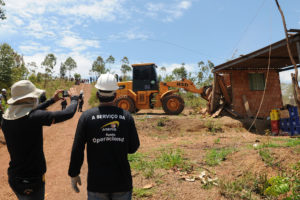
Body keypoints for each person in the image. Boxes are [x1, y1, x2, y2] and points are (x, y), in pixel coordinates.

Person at [1, 80, 79, 200]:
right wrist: (74, 99)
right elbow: (68, 113)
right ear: (31, 98)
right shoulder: (34, 118)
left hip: (14, 177)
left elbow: (29, 112)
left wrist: (52, 101)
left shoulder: (7, 117)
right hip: (32, 180)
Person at [68, 73, 140, 200]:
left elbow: (77, 148)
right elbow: (133, 147)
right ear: (116, 95)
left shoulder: (87, 117)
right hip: (122, 183)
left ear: (97, 95)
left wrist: (74, 173)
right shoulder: (127, 116)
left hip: (97, 184)